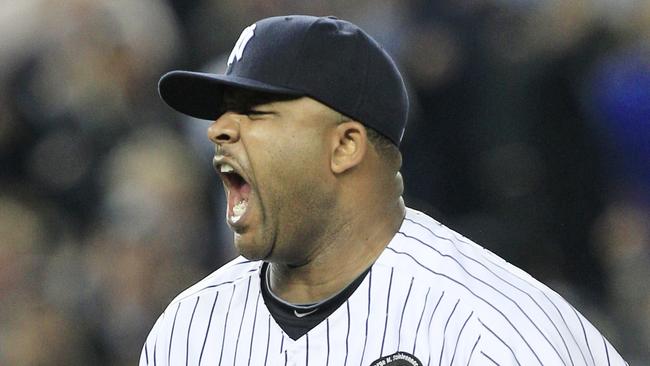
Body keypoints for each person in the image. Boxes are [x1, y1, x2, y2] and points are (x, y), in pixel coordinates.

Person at [140, 15, 627, 365]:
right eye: (222, 112)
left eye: (255, 111)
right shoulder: (189, 327)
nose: (218, 130)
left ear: (345, 145)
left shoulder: (494, 328)